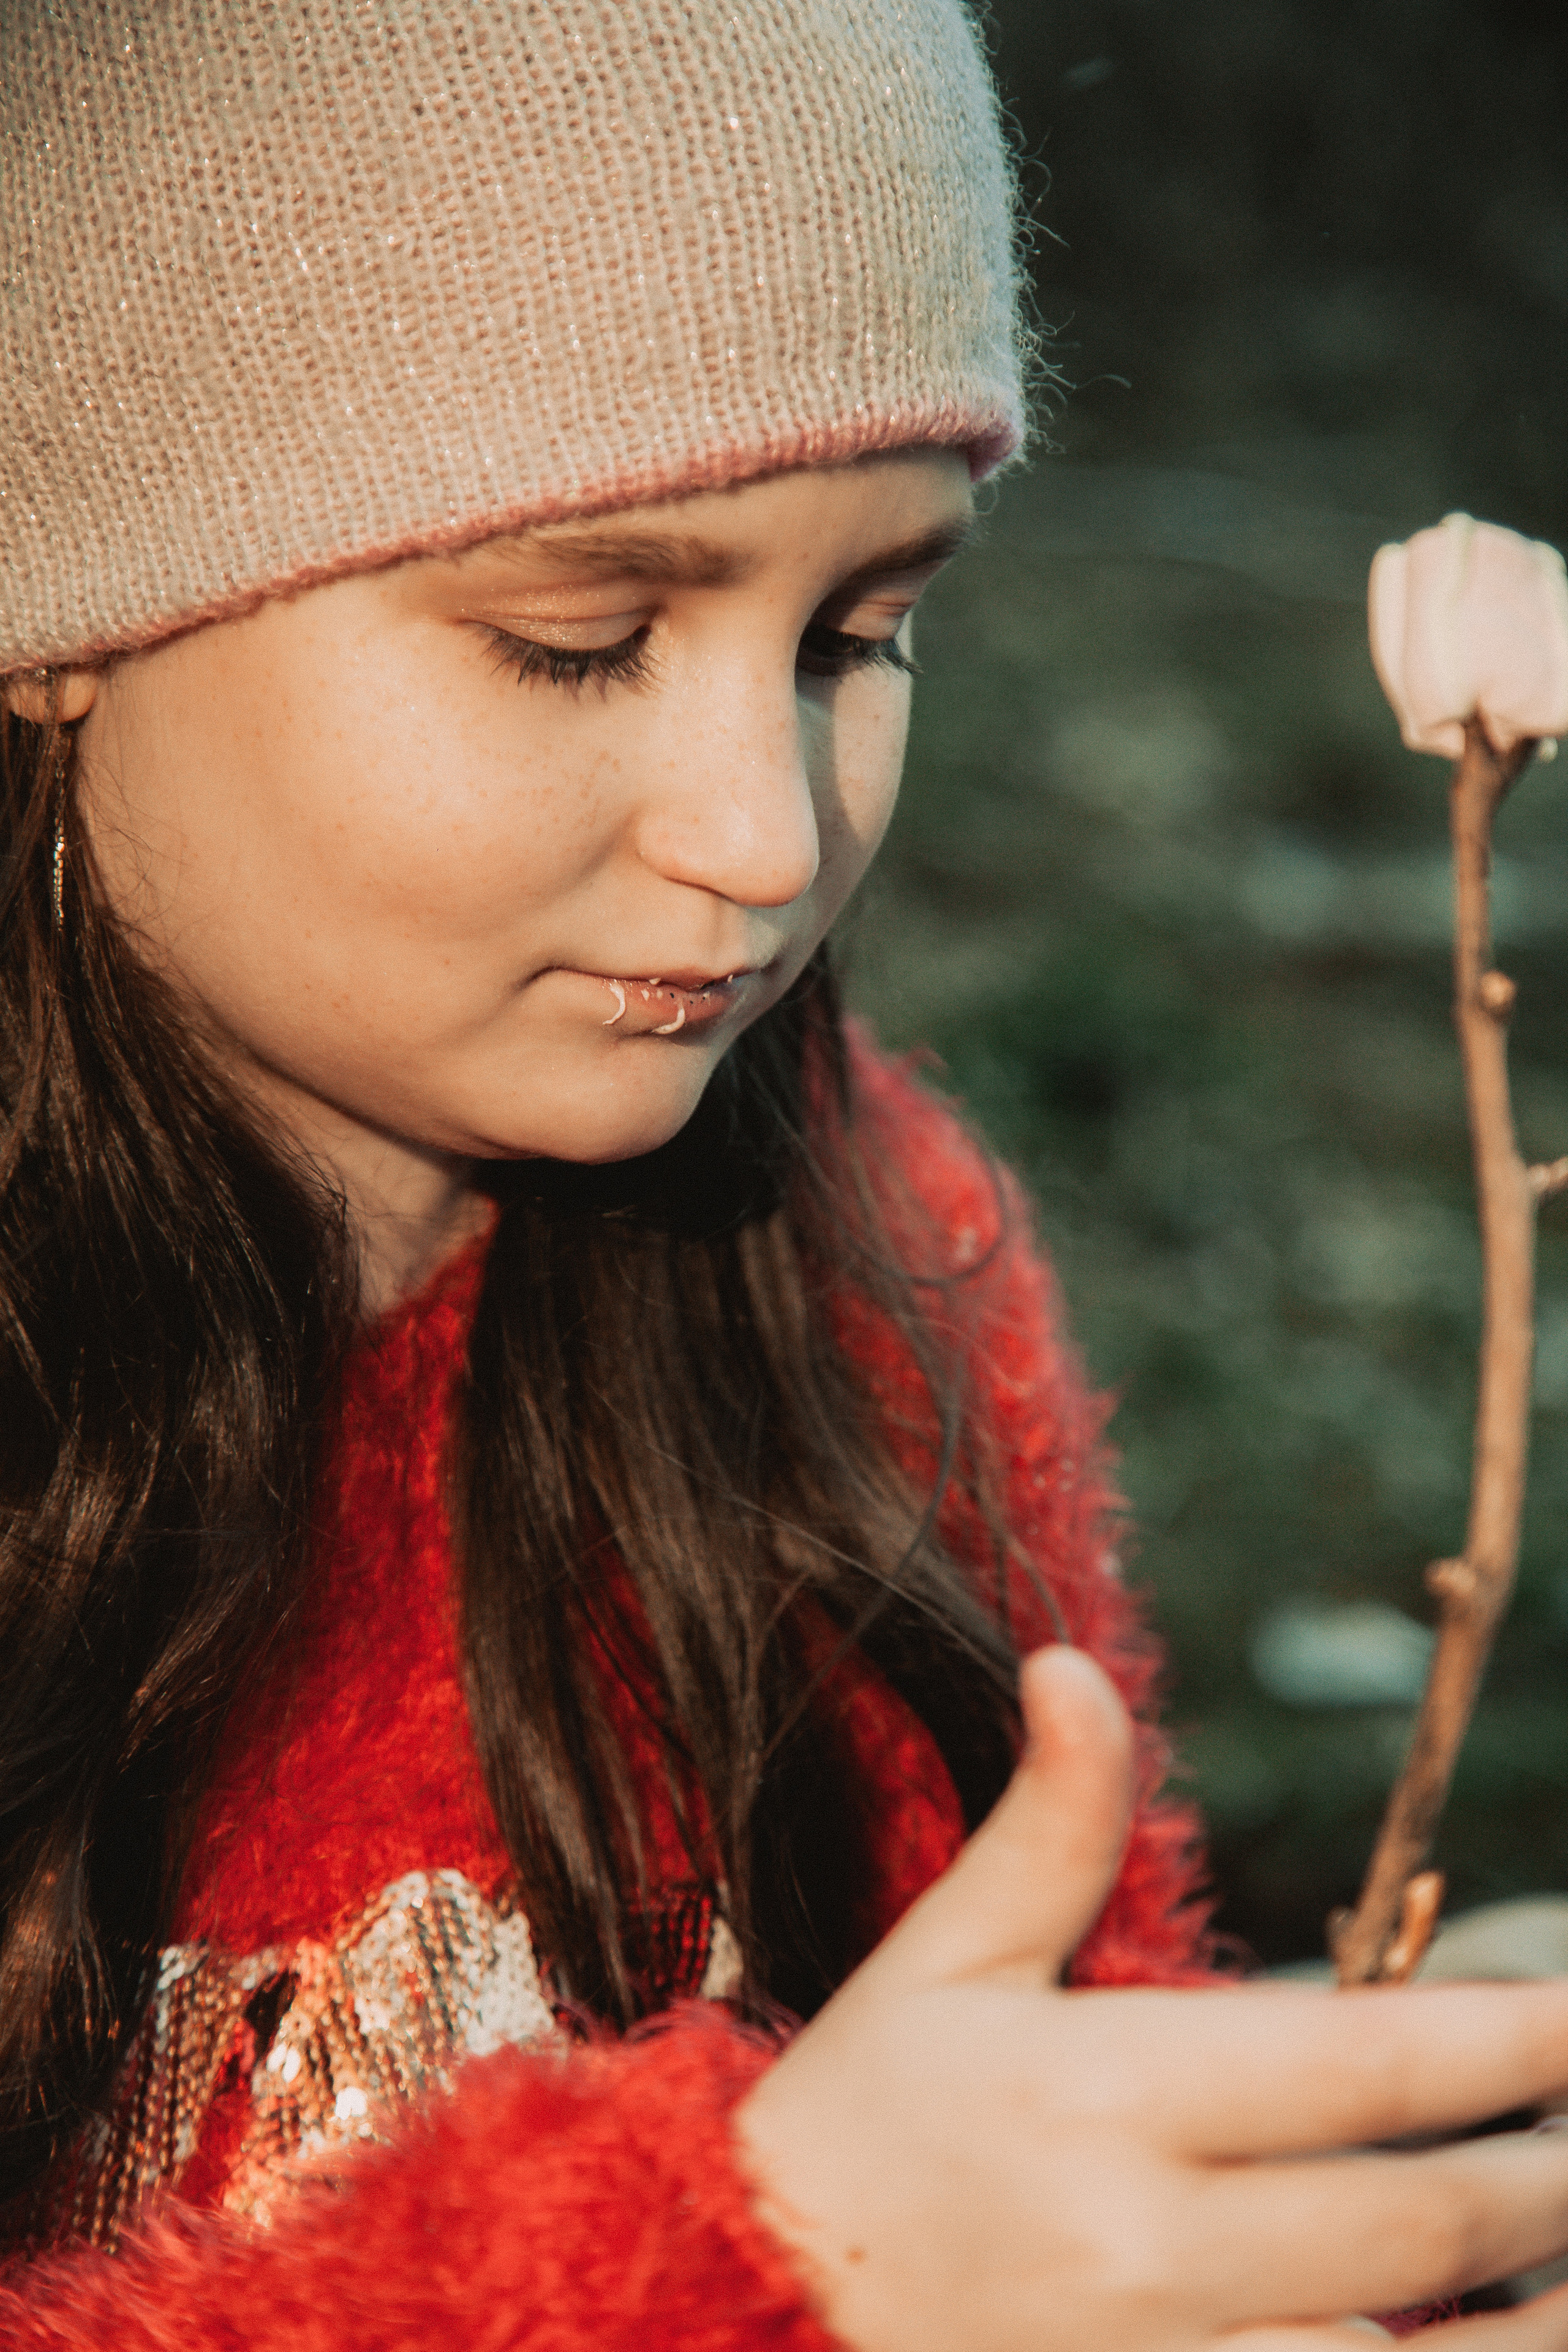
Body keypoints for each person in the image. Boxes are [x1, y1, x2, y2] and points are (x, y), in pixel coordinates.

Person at [2, 3, 1568, 2346]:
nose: (766, 835)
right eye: (576, 640)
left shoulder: (860, 1256)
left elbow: (1054, 2105)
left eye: (865, 631)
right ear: (63, 613)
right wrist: (728, 2277)